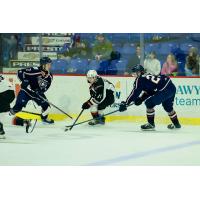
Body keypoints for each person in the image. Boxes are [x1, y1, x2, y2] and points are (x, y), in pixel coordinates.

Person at [119, 64, 181, 130]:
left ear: (140, 72)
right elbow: (151, 91)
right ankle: (176, 125)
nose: (134, 75)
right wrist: (141, 98)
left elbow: (135, 93)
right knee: (168, 107)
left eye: (135, 73)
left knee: (149, 103)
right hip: (171, 87)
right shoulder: (147, 76)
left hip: (164, 89)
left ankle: (151, 124)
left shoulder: (140, 79)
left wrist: (126, 103)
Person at [10, 57, 54, 127]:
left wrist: (40, 91)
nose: (50, 66)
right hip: (26, 92)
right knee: (18, 107)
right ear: (43, 65)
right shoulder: (34, 70)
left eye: (50, 64)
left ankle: (44, 119)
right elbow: (20, 72)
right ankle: (8, 115)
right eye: (48, 64)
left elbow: (46, 87)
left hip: (36, 94)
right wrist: (24, 81)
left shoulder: (50, 76)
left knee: (46, 106)